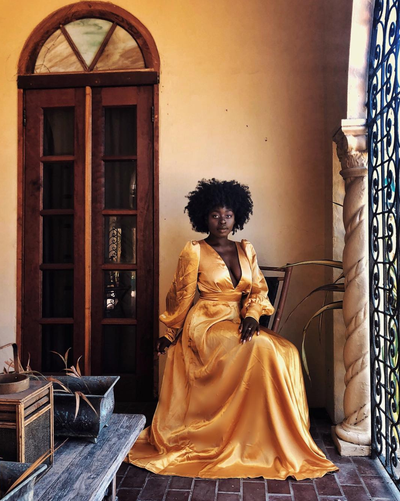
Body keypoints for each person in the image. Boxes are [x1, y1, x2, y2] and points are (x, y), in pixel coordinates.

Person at [128, 178, 337, 480]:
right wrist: (170, 334)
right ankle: (247, 433)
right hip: (207, 323)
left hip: (238, 320)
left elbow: (258, 290)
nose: (222, 220)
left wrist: (252, 315)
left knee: (288, 351)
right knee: (260, 347)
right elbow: (181, 296)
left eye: (228, 214)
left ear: (237, 216)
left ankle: (269, 433)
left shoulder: (245, 249)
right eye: (215, 214)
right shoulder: (194, 250)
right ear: (204, 217)